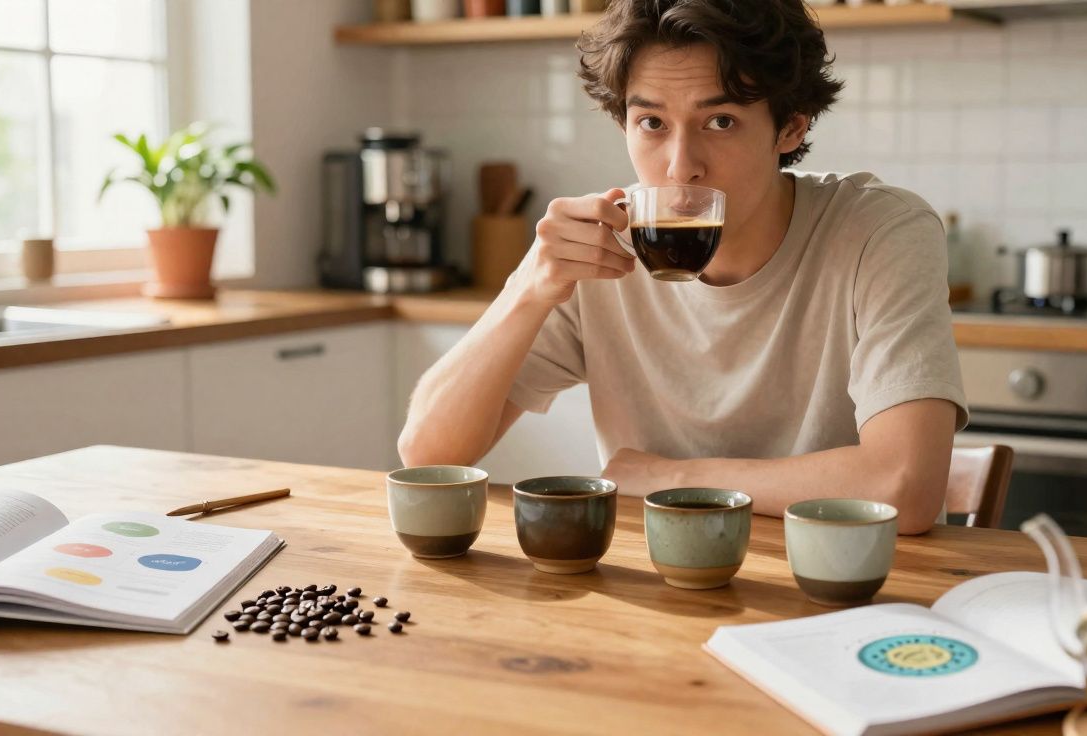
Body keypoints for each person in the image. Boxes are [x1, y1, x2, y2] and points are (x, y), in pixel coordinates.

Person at [398, 0, 967, 534]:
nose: (680, 168)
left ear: (792, 127)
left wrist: (669, 478)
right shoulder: (599, 248)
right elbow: (428, 454)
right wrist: (527, 290)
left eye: (719, 121)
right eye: (651, 124)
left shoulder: (879, 232)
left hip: (840, 588)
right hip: (659, 583)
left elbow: (905, 485)